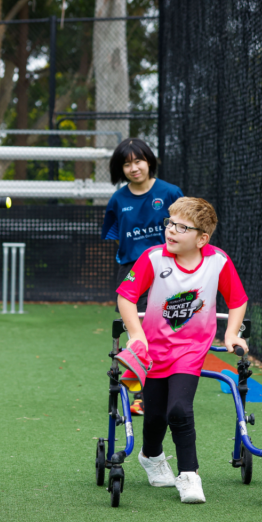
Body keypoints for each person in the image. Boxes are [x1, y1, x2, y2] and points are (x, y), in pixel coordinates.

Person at [112, 197, 248, 504]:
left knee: (179, 410)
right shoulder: (152, 258)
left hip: (191, 350)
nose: (171, 231)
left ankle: (189, 475)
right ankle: (151, 455)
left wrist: (231, 333)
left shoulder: (218, 262)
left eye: (181, 227)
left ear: (202, 238)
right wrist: (136, 334)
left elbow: (237, 299)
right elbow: (127, 297)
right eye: (169, 223)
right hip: (153, 351)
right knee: (155, 416)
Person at [100, 138, 183, 415]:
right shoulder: (118, 199)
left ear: (149, 161)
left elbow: (186, 229)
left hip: (168, 269)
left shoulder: (170, 193)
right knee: (137, 329)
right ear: (120, 169)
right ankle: (140, 389)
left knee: (163, 329)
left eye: (138, 161)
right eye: (126, 164)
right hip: (133, 270)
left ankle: (156, 391)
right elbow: (115, 236)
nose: (133, 168)